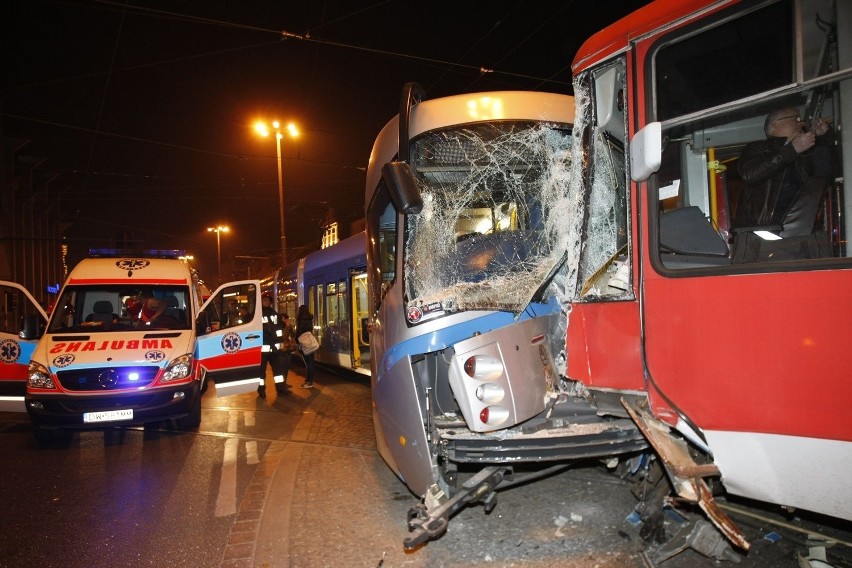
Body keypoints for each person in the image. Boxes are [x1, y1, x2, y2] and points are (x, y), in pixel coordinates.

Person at [736, 107, 835, 238]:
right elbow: (750, 174)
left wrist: (824, 139)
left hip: (801, 233)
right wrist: (791, 150)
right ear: (776, 123)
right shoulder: (757, 148)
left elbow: (828, 176)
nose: (801, 123)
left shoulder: (806, 152)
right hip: (762, 233)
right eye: (796, 119)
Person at [258, 293, 285, 399]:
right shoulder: (257, 314)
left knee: (278, 371)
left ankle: (281, 389)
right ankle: (261, 390)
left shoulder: (275, 314)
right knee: (261, 372)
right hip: (262, 349)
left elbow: (279, 329)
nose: (266, 302)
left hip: (274, 348)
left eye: (268, 300)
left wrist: (281, 341)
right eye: (264, 300)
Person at [296, 304, 316, 389]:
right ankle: (309, 380)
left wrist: (297, 340)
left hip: (304, 343)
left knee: (308, 363)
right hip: (310, 342)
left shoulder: (301, 320)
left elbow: (299, 332)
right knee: (310, 361)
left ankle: (309, 382)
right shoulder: (310, 319)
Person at [278, 312, 297, 392]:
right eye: (285, 319)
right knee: (282, 368)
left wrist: (290, 326)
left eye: (286, 319)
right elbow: (282, 336)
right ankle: (281, 385)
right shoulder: (278, 327)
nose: (286, 320)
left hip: (287, 349)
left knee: (286, 367)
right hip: (281, 350)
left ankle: (284, 383)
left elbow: (293, 334)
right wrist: (286, 326)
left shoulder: (288, 326)